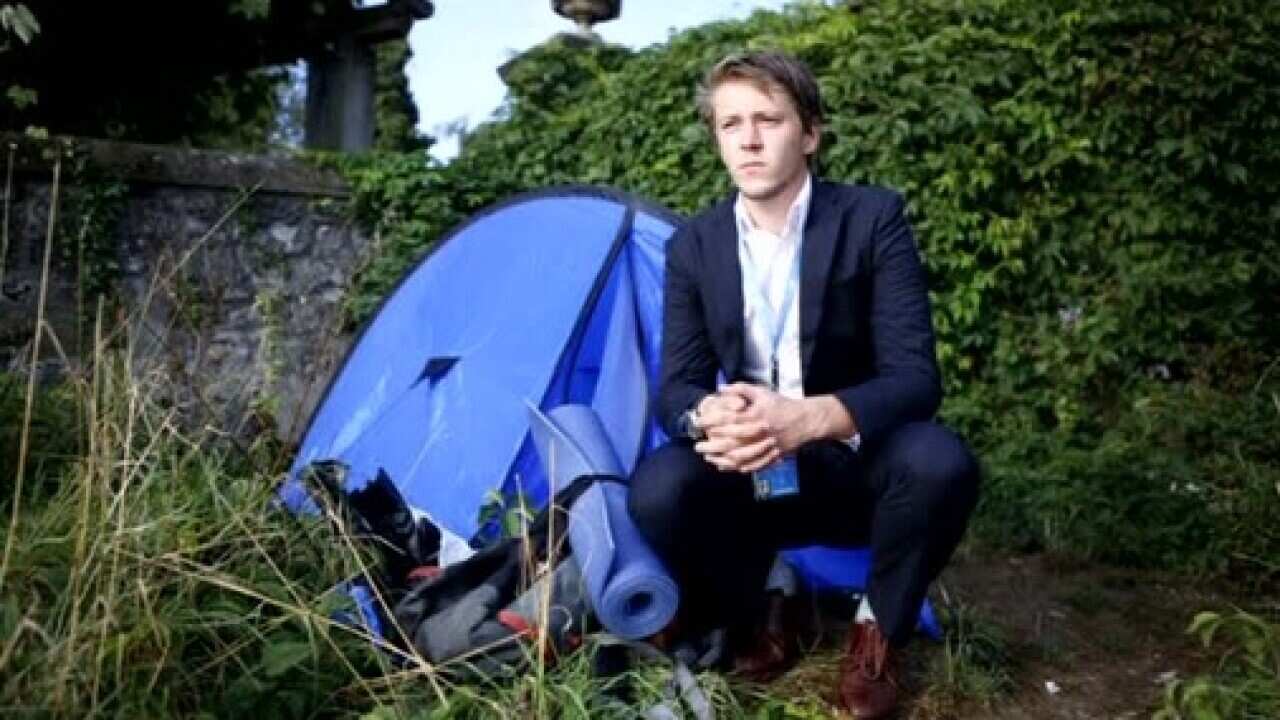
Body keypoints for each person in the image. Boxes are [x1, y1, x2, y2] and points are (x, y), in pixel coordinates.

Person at [626, 50, 981, 719]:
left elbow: (915, 380)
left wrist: (810, 417)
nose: (749, 139)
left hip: (852, 470)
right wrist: (710, 414)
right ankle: (758, 612)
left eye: (769, 119)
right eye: (731, 124)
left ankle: (876, 633)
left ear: (810, 133)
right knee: (659, 487)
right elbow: (675, 389)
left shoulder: (872, 219)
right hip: (757, 474)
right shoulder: (694, 246)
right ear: (718, 139)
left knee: (941, 462)